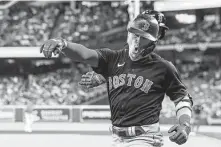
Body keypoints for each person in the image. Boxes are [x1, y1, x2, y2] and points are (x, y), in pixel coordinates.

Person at [40, 10, 193, 147]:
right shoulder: (113, 58)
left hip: (145, 138)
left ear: (154, 41)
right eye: (135, 35)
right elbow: (85, 54)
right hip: (117, 138)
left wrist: (185, 125)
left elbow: (182, 98)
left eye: (143, 38)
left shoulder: (163, 67)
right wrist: (64, 44)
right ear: (129, 34)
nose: (137, 42)